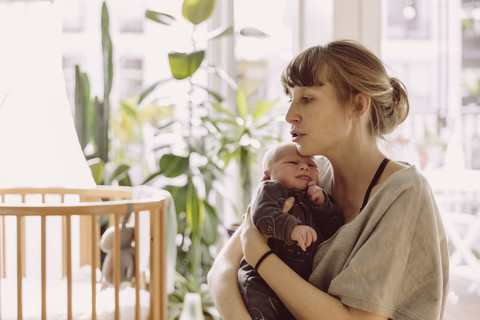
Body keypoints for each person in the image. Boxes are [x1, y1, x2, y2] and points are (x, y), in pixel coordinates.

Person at [207, 39, 449, 320]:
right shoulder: (310, 173)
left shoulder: (403, 193)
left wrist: (259, 256)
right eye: (291, 98)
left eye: (307, 99)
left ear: (358, 105)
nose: (289, 115)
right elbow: (220, 271)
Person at [238, 142, 343, 320]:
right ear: (267, 175)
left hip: (297, 280)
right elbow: (262, 216)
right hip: (260, 277)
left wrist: (322, 205)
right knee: (262, 309)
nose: (303, 166)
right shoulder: (271, 189)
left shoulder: (316, 195)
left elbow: (335, 226)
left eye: (311, 165)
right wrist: (291, 228)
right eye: (292, 163)